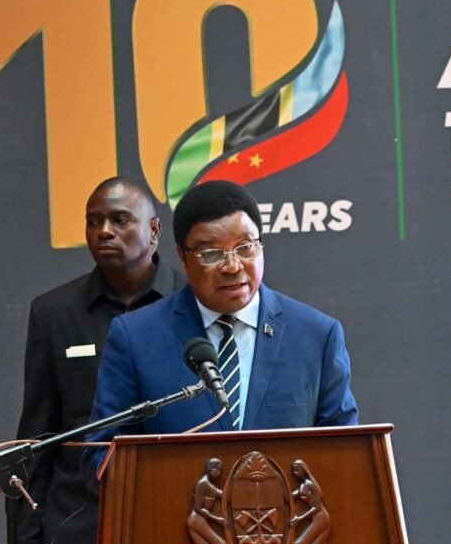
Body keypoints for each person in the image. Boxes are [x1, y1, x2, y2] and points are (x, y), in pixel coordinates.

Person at [85, 180, 358, 476]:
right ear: (183, 256)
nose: (232, 266)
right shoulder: (136, 337)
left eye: (245, 247)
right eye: (211, 254)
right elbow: (101, 453)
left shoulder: (316, 335)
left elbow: (345, 454)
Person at [11, 177, 186, 544]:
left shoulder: (195, 302)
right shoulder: (54, 313)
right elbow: (36, 440)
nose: (104, 231)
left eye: (120, 220)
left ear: (154, 230)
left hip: (181, 532)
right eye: (94, 221)